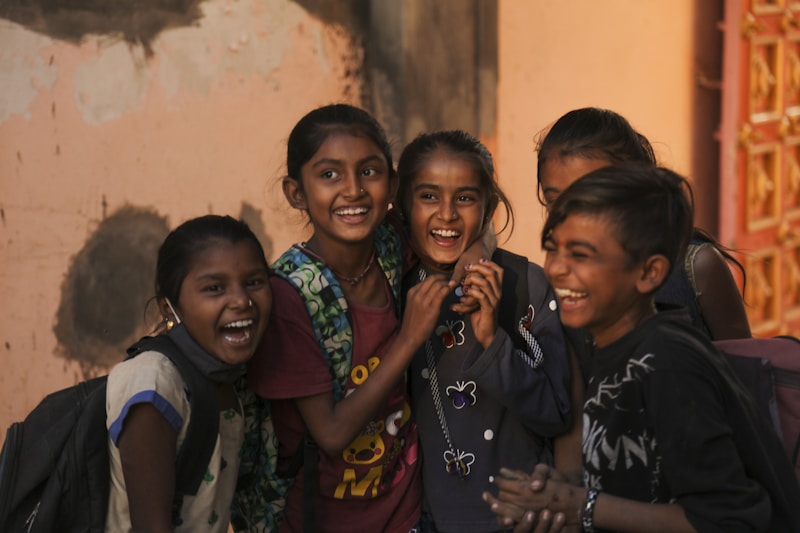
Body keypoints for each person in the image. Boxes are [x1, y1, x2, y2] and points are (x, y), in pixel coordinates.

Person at [483, 165, 800, 532]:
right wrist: (558, 494)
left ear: (649, 273)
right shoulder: (613, 349)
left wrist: (582, 506)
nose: (557, 270)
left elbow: (728, 520)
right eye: (553, 250)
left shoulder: (667, 363)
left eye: (582, 255)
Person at [245, 105, 491, 533]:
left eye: (369, 171)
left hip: (404, 509)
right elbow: (332, 433)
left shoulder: (391, 241)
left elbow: (478, 225)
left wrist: (471, 260)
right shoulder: (290, 296)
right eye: (329, 175)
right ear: (295, 192)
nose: (353, 190)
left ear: (393, 184)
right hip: (324, 517)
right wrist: (408, 338)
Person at [396, 130, 573, 533]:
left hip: (519, 521)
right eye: (428, 196)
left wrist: (493, 339)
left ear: (489, 205)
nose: (446, 214)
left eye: (465, 197)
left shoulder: (526, 286)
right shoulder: (392, 289)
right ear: (403, 205)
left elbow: (556, 415)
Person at [105, 214, 271, 532]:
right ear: (169, 308)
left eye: (253, 282)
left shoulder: (225, 375)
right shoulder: (154, 384)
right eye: (214, 288)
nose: (241, 300)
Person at [535, 107, 751, 342]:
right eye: (556, 203)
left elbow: (743, 371)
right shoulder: (562, 281)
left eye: (589, 200)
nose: (570, 217)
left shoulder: (696, 267)